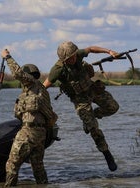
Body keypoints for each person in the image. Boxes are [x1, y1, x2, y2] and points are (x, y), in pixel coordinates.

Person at [43, 41, 119, 171]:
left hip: (92, 89)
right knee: (93, 128)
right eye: (69, 58)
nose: (73, 59)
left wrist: (109, 51)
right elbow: (44, 86)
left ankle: (92, 116)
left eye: (74, 56)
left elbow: (91, 48)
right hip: (80, 99)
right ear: (63, 59)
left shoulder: (77, 54)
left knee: (113, 107)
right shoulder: (57, 69)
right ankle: (107, 154)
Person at [1, 49, 57, 187]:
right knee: (38, 167)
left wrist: (7, 57)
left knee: (12, 164)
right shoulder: (41, 90)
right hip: (40, 134)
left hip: (29, 132)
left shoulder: (32, 83)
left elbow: (17, 72)